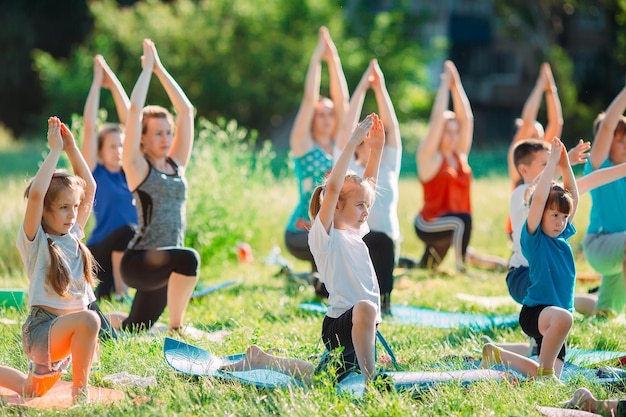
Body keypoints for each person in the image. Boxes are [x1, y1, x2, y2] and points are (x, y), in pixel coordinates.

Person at [1, 117, 100, 402]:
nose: (72, 214)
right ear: (45, 211)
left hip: (62, 343)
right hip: (42, 332)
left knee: (29, 390)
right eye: (63, 208)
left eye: (75, 207)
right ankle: (80, 395)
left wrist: (70, 147)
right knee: (90, 320)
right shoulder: (36, 241)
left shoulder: (73, 235)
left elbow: (89, 188)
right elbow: (35, 195)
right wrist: (54, 150)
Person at [482, 137, 578, 384]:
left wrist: (566, 167)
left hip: (556, 321)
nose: (559, 222)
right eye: (554, 215)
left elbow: (572, 201)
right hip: (537, 313)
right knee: (563, 321)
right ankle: (546, 373)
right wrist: (551, 167)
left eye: (563, 217)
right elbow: (537, 203)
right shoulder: (534, 239)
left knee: (545, 374)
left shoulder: (562, 236)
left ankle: (497, 354)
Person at [119, 39, 199, 333]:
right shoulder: (138, 167)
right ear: (142, 138)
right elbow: (133, 111)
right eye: (158, 134)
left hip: (164, 265)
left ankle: (102, 320)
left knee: (134, 328)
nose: (166, 139)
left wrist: (160, 68)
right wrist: (146, 71)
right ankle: (177, 328)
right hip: (140, 261)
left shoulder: (176, 163)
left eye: (168, 132)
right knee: (189, 258)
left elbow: (186, 111)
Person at [309, 113, 384, 383]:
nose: (367, 211)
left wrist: (375, 151)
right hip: (339, 328)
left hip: (361, 330)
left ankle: (261, 358)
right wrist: (352, 143)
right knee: (364, 307)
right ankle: (371, 382)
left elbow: (368, 189)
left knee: (321, 376)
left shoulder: (354, 232)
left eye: (366, 205)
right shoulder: (326, 236)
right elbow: (333, 189)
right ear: (337, 205)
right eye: (360, 206)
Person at [284, 26, 349, 297]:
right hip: (300, 233)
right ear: (313, 118)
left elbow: (342, 100)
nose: (327, 118)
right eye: (321, 114)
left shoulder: (338, 146)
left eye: (330, 115)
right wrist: (317, 58)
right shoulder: (303, 145)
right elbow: (310, 99)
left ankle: (310, 278)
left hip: (329, 231)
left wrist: (334, 61)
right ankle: (314, 277)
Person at [333, 59, 401, 315]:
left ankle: (384, 304)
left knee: (382, 240)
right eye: (366, 135)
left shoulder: (388, 164)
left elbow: (392, 128)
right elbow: (345, 132)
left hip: (384, 242)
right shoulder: (349, 167)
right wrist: (361, 88)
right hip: (356, 240)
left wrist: (380, 87)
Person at [81, 54, 137, 302]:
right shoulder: (95, 172)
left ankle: (117, 291)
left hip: (128, 259)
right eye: (112, 147)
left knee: (102, 297)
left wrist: (112, 81)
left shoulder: (132, 172)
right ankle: (122, 292)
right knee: (127, 231)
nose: (120, 151)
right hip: (97, 255)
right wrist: (96, 82)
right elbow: (90, 126)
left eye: (122, 145)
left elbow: (131, 119)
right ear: (100, 152)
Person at [414, 60, 473, 272]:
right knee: (462, 221)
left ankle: (412, 264)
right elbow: (436, 121)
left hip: (450, 225)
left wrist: (456, 86)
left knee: (427, 268)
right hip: (429, 223)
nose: (454, 136)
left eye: (456, 132)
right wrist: (444, 87)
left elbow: (467, 119)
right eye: (448, 131)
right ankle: (461, 268)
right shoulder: (430, 158)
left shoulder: (460, 156)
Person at [582, 83, 626, 318]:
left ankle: (563, 302)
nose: (625, 145)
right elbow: (609, 124)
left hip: (620, 254)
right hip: (599, 245)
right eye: (619, 140)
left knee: (605, 313)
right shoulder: (599, 166)